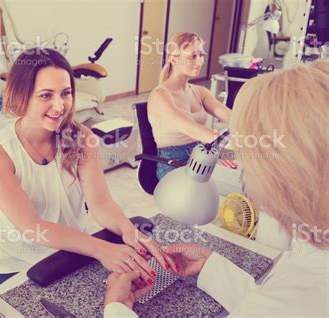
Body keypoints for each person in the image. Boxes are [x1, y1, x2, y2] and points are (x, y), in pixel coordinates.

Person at [104, 61, 329, 317]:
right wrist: (211, 266)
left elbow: (277, 306)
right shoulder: (313, 255)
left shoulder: (305, 296)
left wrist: (116, 308)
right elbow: (270, 301)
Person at [0, 48, 176, 287]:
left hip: (71, 252)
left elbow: (100, 203)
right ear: (21, 96)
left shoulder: (82, 138)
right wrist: (101, 249)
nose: (60, 106)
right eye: (46, 95)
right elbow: (32, 228)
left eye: (66, 93)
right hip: (19, 266)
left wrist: (128, 230)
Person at [148, 32, 231, 180]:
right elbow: (190, 128)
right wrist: (227, 148)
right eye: (192, 56)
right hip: (172, 164)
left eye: (201, 55)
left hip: (201, 156)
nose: (199, 61)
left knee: (237, 177)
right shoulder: (160, 95)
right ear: (174, 59)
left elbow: (230, 116)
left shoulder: (200, 91)